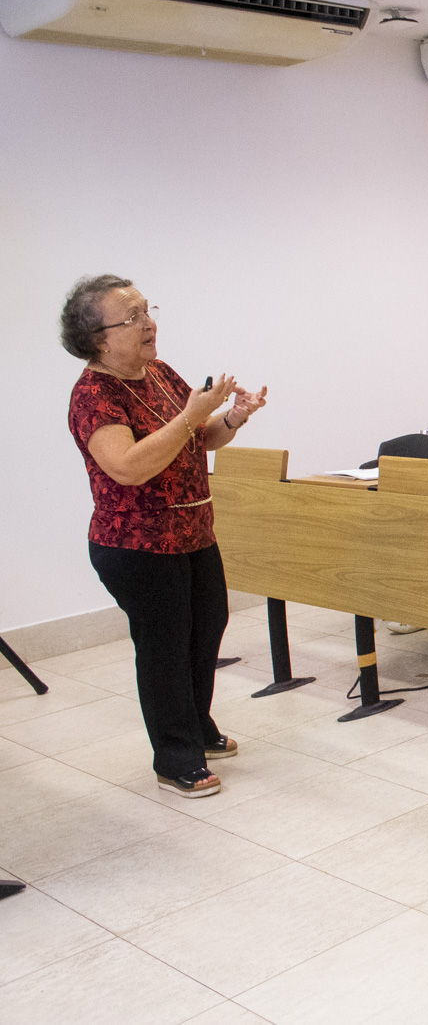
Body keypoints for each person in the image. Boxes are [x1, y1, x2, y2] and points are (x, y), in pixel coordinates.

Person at [62, 275, 269, 798]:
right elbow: (129, 467)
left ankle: (197, 727)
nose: (149, 323)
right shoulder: (93, 394)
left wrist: (234, 417)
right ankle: (175, 756)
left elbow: (201, 436)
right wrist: (190, 418)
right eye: (131, 318)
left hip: (194, 531)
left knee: (206, 628)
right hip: (136, 546)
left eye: (146, 310)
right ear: (99, 339)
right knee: (165, 646)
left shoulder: (159, 373)